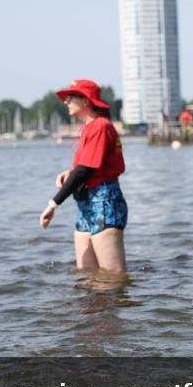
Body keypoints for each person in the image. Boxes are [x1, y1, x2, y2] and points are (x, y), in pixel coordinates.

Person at [40, 80, 127, 273]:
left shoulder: (101, 126)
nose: (66, 101)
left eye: (70, 97)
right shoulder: (90, 127)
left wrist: (53, 204)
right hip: (86, 203)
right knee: (86, 275)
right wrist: (71, 173)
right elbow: (86, 168)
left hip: (104, 202)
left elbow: (85, 170)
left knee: (112, 276)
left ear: (86, 101)